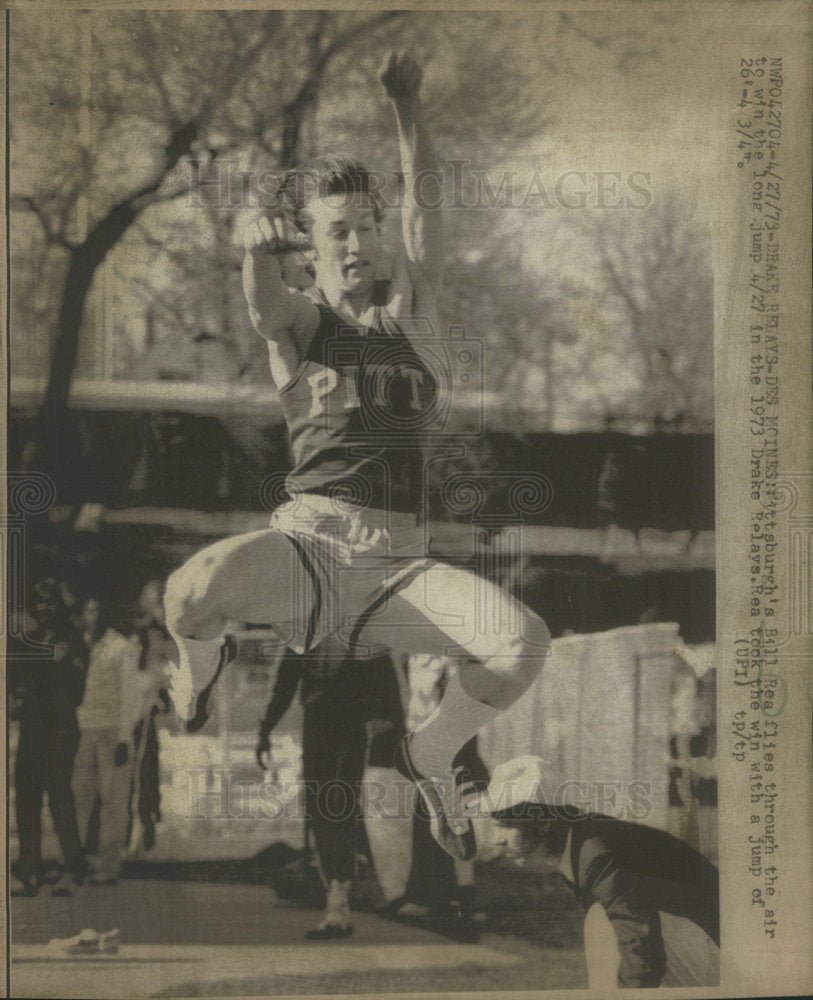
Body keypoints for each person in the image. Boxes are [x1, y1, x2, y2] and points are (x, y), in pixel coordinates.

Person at [164, 51, 551, 861]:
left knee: (525, 643)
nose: (358, 245)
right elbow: (262, 301)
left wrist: (408, 109)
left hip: (396, 567)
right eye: (337, 231)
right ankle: (196, 680)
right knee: (188, 593)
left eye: (367, 229)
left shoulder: (411, 313)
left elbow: (427, 213)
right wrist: (252, 247)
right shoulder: (303, 323)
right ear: (312, 248)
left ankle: (432, 751)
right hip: (308, 549)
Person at [485, 756, 720, 989]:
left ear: (543, 822)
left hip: (724, 952)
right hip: (700, 945)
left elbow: (640, 946)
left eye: (506, 826)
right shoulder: (580, 841)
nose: (497, 841)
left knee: (601, 922)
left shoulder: (597, 853)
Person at [256, 637, 403, 939]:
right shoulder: (305, 633)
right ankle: (337, 894)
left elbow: (385, 676)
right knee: (320, 809)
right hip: (319, 723)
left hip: (351, 725)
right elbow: (286, 681)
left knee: (341, 805)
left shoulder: (359, 628)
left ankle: (342, 891)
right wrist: (266, 728)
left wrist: (391, 723)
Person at [8, 579, 89, 897]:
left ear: (60, 606)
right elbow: (15, 680)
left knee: (59, 801)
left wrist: (35, 690)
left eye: (49, 602)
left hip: (59, 731)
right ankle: (30, 870)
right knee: (25, 800)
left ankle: (74, 868)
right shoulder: (32, 641)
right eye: (38, 603)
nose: (43, 609)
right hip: (32, 730)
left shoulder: (74, 642)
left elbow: (73, 694)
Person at [71, 597, 148, 884]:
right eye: (88, 609)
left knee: (113, 800)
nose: (91, 615)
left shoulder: (120, 648)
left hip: (112, 732)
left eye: (96, 609)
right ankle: (76, 862)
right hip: (85, 730)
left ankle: (108, 865)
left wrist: (124, 738)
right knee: (80, 797)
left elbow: (131, 697)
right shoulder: (83, 646)